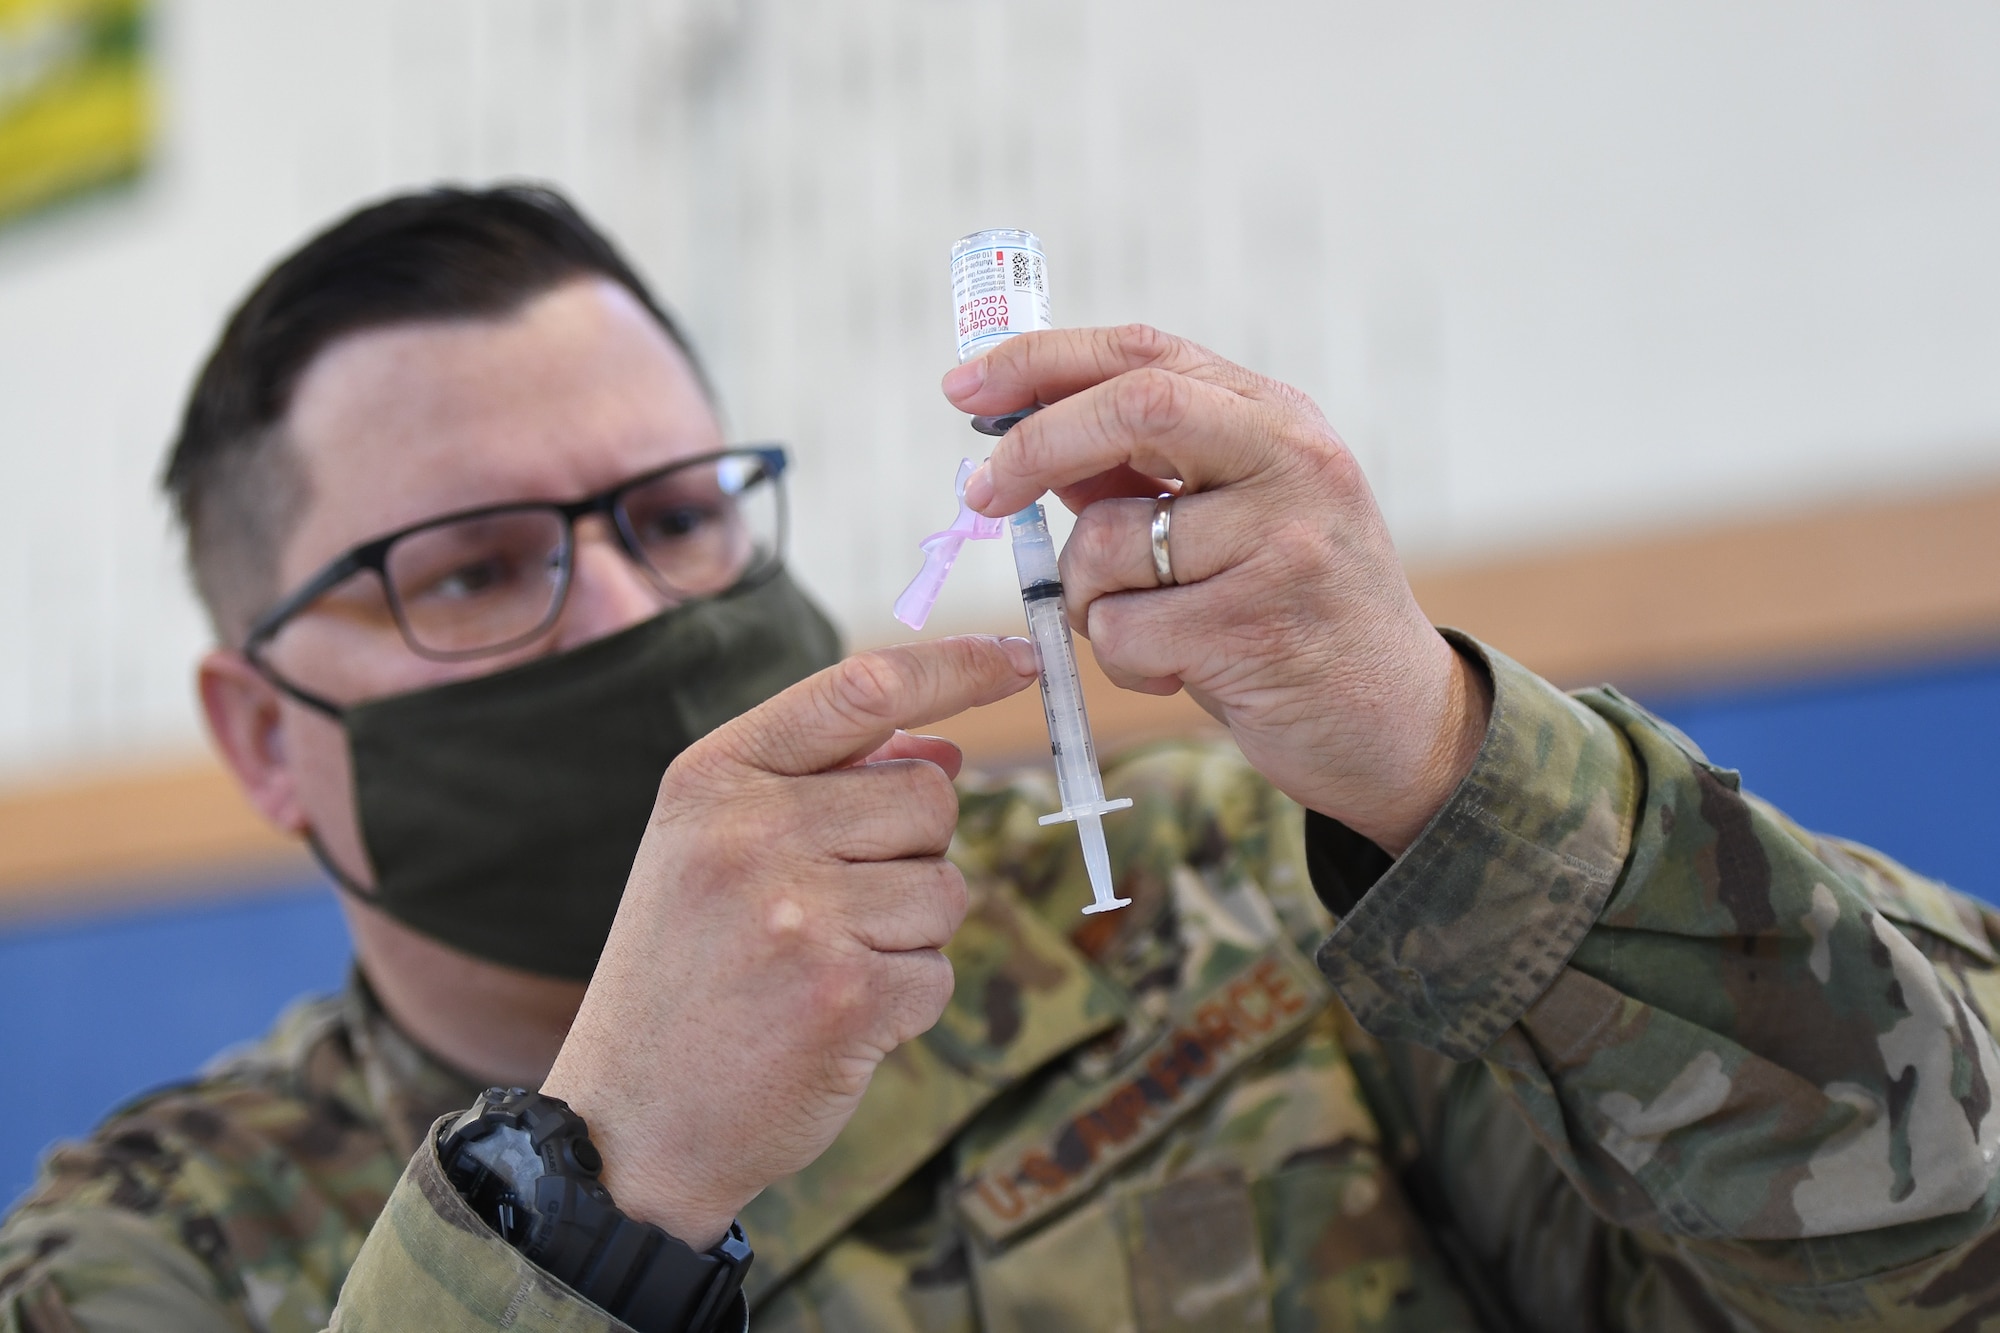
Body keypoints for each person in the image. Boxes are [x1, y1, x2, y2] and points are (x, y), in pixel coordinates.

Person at [0, 184, 1995, 1333]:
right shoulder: (156, 1247)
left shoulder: (1242, 913)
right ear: (262, 733)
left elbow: (1945, 1254)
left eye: (678, 516)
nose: (623, 612)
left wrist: (1456, 767)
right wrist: (596, 1193)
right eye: (477, 568)